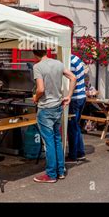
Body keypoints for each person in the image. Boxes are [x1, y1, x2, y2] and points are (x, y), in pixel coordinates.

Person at [32, 50, 76, 183]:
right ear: (46, 51)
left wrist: (35, 97)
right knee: (57, 139)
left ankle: (51, 174)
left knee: (49, 142)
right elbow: (73, 78)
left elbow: (40, 89)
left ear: (35, 54)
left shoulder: (37, 67)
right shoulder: (58, 63)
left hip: (45, 108)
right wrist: (69, 96)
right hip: (58, 106)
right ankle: (60, 171)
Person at [66, 54, 87, 163]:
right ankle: (80, 152)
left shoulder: (69, 61)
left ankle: (73, 155)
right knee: (76, 126)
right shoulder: (76, 58)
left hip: (75, 98)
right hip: (81, 96)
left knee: (72, 127)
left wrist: (67, 95)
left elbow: (70, 80)